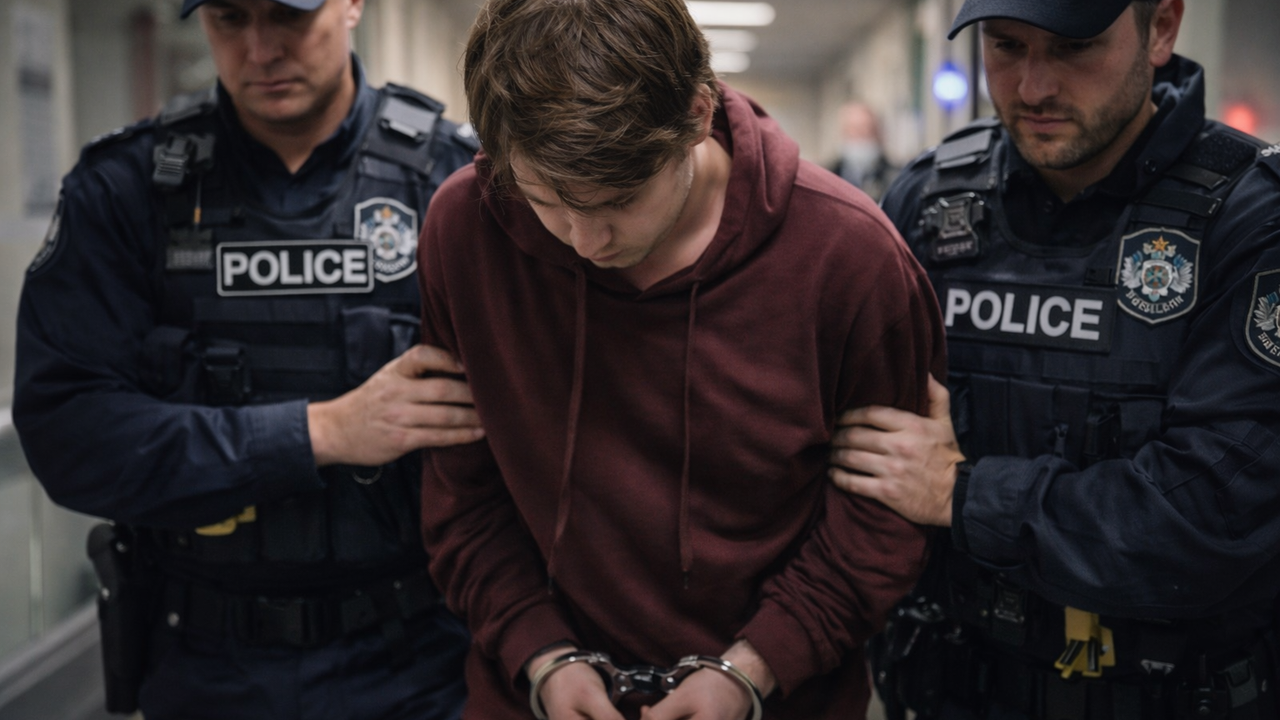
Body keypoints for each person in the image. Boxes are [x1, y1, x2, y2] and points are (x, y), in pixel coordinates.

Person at [414, 0, 946, 718]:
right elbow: (462, 495)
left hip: (782, 698)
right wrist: (541, 656)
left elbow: (879, 520)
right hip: (532, 696)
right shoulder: (465, 226)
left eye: (619, 200)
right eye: (544, 200)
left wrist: (753, 669)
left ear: (696, 116)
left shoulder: (849, 256)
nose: (584, 242)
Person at [12, 0, 484, 718]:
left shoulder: (453, 183)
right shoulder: (127, 189)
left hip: (419, 665)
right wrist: (319, 432)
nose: (260, 50)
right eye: (230, 18)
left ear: (352, 5)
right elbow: (68, 435)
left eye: (288, 15)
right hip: (205, 666)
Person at [829, 1, 1280, 718]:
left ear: (1161, 28)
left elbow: (1213, 519)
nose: (1033, 87)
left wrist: (962, 495)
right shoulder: (927, 203)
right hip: (956, 689)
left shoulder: (1250, 221)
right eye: (1006, 46)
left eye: (1075, 47)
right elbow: (856, 468)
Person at [828, 100, 899, 202]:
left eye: (866, 130)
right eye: (853, 130)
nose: (860, 136)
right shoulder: (828, 177)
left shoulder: (895, 178)